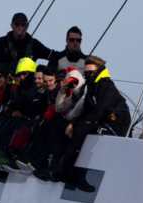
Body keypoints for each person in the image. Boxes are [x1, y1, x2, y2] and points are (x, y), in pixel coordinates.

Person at [54, 56, 130, 191]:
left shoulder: (107, 86)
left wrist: (83, 124)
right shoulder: (91, 86)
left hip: (116, 122)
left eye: (91, 72)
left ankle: (78, 176)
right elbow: (87, 109)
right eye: (86, 72)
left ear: (98, 71)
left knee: (84, 133)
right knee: (73, 130)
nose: (88, 75)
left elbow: (101, 109)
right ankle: (64, 171)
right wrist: (73, 123)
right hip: (99, 118)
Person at [0, 12, 52, 77]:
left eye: (23, 24)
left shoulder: (34, 44)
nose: (20, 27)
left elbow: (53, 56)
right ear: (12, 25)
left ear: (27, 26)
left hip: (25, 87)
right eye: (17, 24)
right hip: (3, 86)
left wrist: (49, 75)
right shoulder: (0, 42)